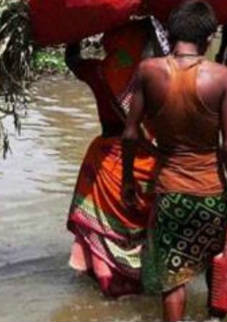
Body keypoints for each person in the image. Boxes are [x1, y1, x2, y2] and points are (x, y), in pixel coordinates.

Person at [121, 0, 227, 322]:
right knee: (216, 269)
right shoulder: (222, 77)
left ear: (169, 32)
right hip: (210, 194)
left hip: (170, 193)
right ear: (208, 38)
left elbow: (129, 133)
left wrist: (127, 180)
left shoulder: (149, 72)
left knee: (173, 279)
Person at [65, 22, 160, 297]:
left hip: (106, 161)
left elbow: (71, 60)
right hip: (145, 163)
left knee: (100, 230)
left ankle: (106, 280)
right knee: (144, 230)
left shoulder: (98, 72)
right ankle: (141, 280)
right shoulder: (158, 77)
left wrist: (74, 28)